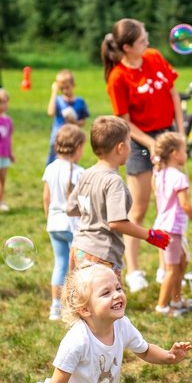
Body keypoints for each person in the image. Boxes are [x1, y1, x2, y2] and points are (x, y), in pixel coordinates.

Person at [16, 264, 191, 383]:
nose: (116, 295)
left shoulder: (122, 325)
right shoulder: (77, 341)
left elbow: (145, 350)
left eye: (118, 288)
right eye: (105, 293)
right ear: (85, 309)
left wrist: (169, 356)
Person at [101, 19, 184, 293]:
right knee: (139, 207)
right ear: (127, 47)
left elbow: (173, 94)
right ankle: (133, 269)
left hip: (168, 136)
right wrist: (152, 143)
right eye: (142, 39)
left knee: (168, 206)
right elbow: (125, 121)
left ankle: (166, 266)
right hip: (139, 141)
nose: (147, 41)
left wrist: (179, 133)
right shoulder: (118, 77)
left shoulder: (154, 56)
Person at [66, 116, 170, 276]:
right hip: (102, 254)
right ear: (120, 148)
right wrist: (150, 235)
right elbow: (116, 223)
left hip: (79, 250)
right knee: (111, 299)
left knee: (84, 299)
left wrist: (95, 211)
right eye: (129, 142)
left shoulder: (86, 174)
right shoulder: (114, 181)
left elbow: (71, 208)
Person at [42, 124, 86, 321]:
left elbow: (46, 198)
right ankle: (75, 305)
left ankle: (55, 308)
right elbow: (85, 203)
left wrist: (48, 218)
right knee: (77, 268)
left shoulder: (50, 168)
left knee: (59, 264)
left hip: (54, 225)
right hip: (73, 227)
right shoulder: (79, 172)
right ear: (77, 147)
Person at [152, 132, 192, 317]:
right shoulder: (178, 177)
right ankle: (162, 306)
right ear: (174, 153)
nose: (186, 155)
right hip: (172, 229)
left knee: (182, 262)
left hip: (163, 226)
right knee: (171, 269)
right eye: (184, 150)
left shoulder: (159, 174)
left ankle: (176, 300)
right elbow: (185, 204)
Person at [47, 69, 89, 165]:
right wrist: (54, 92)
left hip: (73, 138)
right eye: (62, 88)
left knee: (71, 163)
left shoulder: (80, 102)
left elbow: (83, 121)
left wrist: (75, 122)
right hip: (58, 138)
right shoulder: (57, 100)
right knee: (54, 163)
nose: (65, 91)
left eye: (67, 87)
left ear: (73, 85)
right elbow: (50, 112)